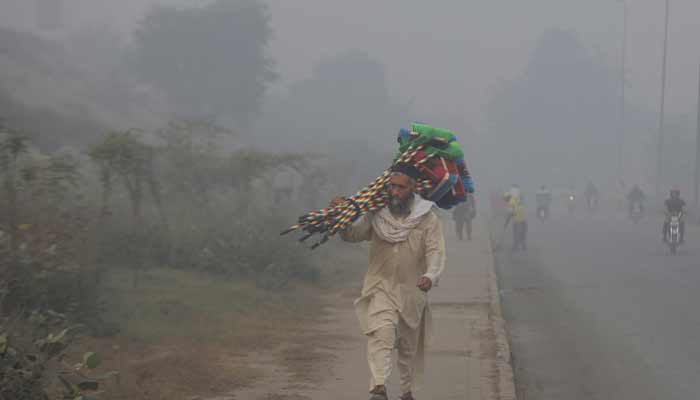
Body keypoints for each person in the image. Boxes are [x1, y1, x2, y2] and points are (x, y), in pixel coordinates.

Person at [331, 163, 446, 400]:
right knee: (381, 332)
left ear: (412, 188)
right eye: (392, 186)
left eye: (400, 187)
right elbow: (354, 235)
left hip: (412, 292)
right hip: (380, 286)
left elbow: (436, 252)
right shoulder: (377, 213)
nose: (395, 192)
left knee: (407, 349)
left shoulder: (427, 219)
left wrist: (430, 276)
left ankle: (407, 392)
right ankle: (379, 387)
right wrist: (339, 218)